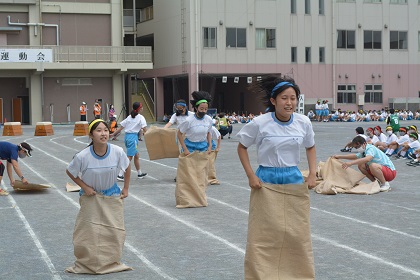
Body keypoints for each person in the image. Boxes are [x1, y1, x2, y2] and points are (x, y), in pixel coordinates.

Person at [237, 75, 316, 279]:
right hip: (265, 180)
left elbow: (311, 147)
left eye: (293, 98)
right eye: (284, 98)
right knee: (264, 234)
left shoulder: (303, 122)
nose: (289, 103)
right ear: (273, 101)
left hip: (293, 179)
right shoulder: (260, 123)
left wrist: (312, 174)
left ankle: (297, 274)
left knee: (297, 233)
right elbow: (242, 147)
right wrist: (251, 175)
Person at [66, 119, 131, 274]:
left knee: (114, 231)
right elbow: (70, 171)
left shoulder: (117, 151)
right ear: (91, 135)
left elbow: (127, 168)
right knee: (89, 232)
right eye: (99, 131)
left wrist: (126, 188)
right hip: (91, 198)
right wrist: (85, 187)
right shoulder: (82, 156)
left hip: (112, 196)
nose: (104, 134)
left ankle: (110, 262)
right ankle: (88, 264)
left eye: (106, 130)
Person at [111, 102, 147, 180]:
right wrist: (149, 135)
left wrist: (113, 134)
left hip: (127, 137)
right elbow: (144, 128)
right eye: (141, 107)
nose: (142, 108)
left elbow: (121, 127)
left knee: (136, 155)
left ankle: (139, 173)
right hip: (133, 138)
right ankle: (120, 174)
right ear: (139, 109)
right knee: (129, 157)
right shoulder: (141, 117)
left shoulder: (129, 117)